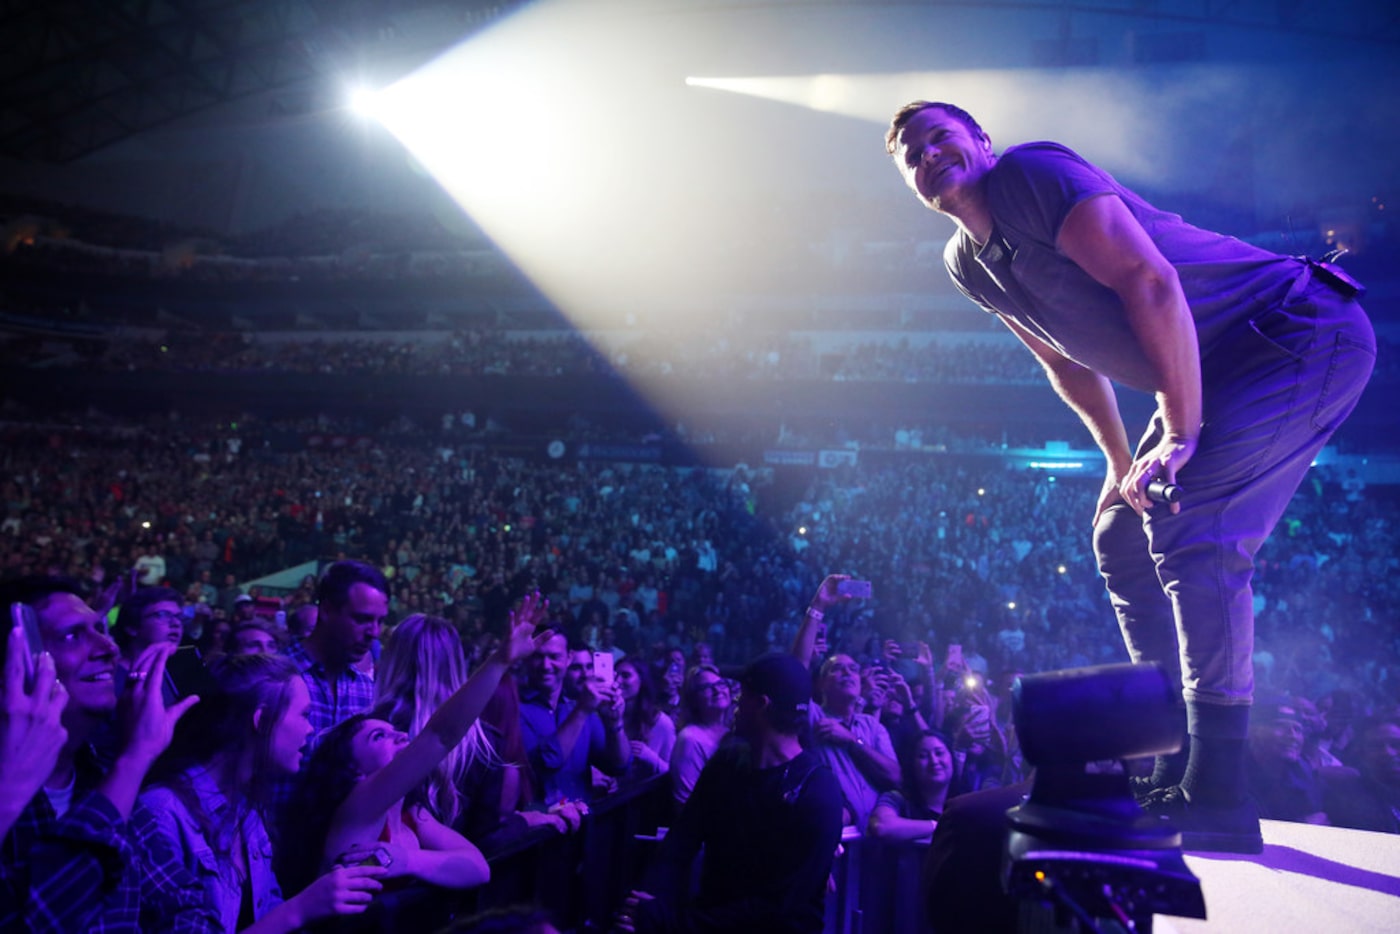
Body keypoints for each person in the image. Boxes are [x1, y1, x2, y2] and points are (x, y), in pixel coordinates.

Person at [886, 101, 1376, 852]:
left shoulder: (1031, 175)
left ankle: (1220, 789)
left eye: (941, 136)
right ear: (909, 181)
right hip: (1213, 365)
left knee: (1192, 516)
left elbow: (1149, 282)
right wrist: (1120, 467)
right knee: (1120, 529)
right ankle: (1167, 756)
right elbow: (1063, 361)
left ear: (982, 140)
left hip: (1293, 330)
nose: (929, 153)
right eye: (912, 153)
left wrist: (1178, 433)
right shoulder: (965, 262)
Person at [278, 594, 549, 898]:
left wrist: (406, 860)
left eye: (395, 730)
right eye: (378, 736)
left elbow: (478, 868)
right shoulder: (359, 806)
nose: (400, 734)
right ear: (352, 770)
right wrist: (500, 661)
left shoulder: (412, 813)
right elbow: (439, 736)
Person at [0, 576, 219, 933]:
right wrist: (135, 757)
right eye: (72, 635)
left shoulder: (96, 773)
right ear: (18, 664)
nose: (108, 647)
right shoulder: (115, 775)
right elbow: (48, 922)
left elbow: (186, 903)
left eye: (100, 629)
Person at [140, 653, 388, 931]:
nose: (310, 729)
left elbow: (267, 913)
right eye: (304, 714)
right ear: (261, 720)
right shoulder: (161, 812)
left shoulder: (246, 809)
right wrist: (302, 907)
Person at [617, 652, 843, 934]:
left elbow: (777, 906)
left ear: (761, 705)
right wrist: (647, 900)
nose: (735, 702)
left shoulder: (816, 791)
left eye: (743, 695)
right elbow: (680, 842)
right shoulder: (728, 763)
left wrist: (670, 923)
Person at [518, 630, 631, 806]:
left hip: (582, 826)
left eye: (554, 656)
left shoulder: (576, 708)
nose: (546, 665)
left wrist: (615, 724)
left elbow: (618, 766)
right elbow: (545, 765)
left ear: (567, 658)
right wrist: (582, 710)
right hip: (538, 829)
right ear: (527, 658)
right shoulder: (516, 708)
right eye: (538, 657)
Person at [866, 730, 956, 842]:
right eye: (923, 756)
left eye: (939, 753)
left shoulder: (963, 800)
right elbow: (880, 825)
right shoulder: (896, 798)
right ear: (911, 764)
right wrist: (937, 826)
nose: (934, 761)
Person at [668, 664, 732, 808]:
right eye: (706, 688)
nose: (717, 690)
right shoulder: (690, 739)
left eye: (721, 683)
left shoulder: (732, 730)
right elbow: (685, 803)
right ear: (694, 700)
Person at [617, 656, 675, 780]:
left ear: (642, 680)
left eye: (625, 676)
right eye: (615, 675)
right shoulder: (608, 718)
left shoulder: (662, 723)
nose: (618, 681)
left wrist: (649, 757)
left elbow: (674, 775)